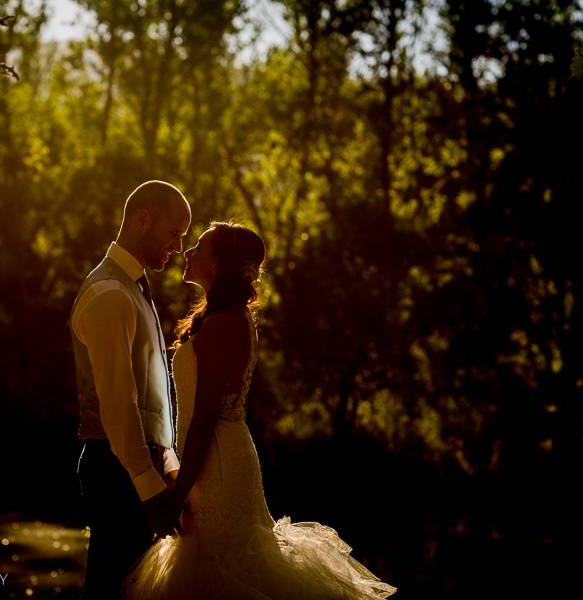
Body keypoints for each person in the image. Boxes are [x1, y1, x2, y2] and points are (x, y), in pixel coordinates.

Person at [124, 222, 396, 600]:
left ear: (222, 263)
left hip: (216, 463)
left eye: (200, 246)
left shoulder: (225, 323)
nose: (188, 252)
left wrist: (177, 494)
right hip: (210, 459)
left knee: (225, 571)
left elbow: (205, 418)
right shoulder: (217, 319)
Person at [70, 180, 192, 599]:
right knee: (112, 589)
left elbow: (151, 394)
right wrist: (149, 487)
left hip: (140, 463)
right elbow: (118, 404)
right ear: (143, 220)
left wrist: (169, 461)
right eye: (174, 233)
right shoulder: (109, 295)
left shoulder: (133, 288)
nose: (177, 247)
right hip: (116, 467)